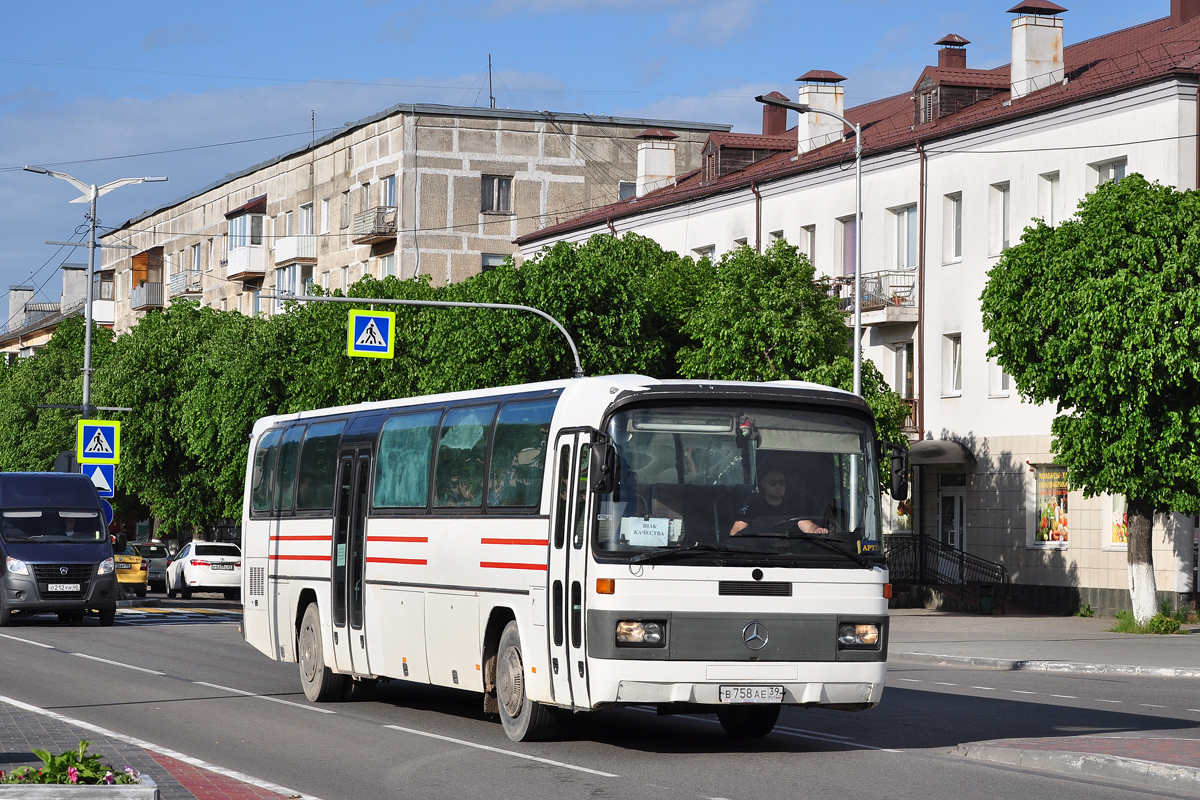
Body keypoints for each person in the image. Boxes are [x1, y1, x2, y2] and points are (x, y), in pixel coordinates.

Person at [729, 468, 828, 536]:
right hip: (758, 554)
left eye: (781, 483)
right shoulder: (751, 506)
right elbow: (735, 533)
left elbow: (808, 526)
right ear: (763, 484)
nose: (778, 486)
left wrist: (816, 530)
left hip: (787, 555)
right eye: (773, 482)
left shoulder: (793, 507)